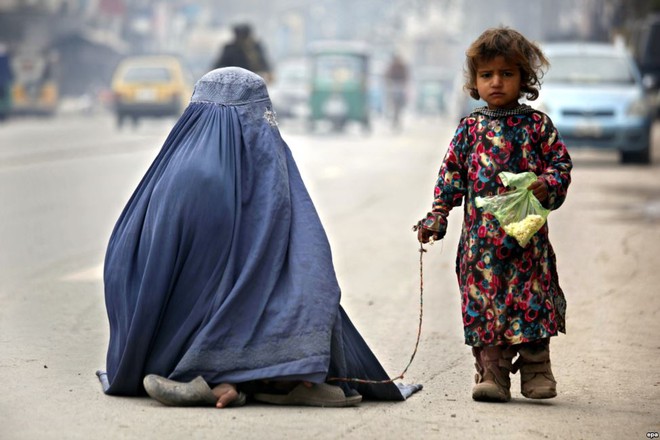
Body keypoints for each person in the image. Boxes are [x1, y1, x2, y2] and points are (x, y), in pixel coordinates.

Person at [97, 67, 421, 408]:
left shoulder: (175, 167)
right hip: (191, 328)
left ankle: (243, 379)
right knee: (280, 289)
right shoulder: (234, 173)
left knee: (265, 287)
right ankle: (257, 375)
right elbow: (308, 265)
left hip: (154, 341)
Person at [414, 27, 572, 403]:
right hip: (480, 246)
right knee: (484, 305)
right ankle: (492, 373)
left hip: (527, 243)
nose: (496, 82)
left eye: (507, 74)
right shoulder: (470, 128)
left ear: (524, 79)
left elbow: (561, 165)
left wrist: (548, 183)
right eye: (487, 75)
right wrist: (438, 215)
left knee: (532, 299)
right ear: (474, 81)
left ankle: (536, 370)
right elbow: (450, 176)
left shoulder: (537, 126)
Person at [384, 53, 409, 130]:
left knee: (398, 105)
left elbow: (406, 76)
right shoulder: (392, 67)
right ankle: (395, 119)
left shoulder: (401, 66)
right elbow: (386, 75)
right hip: (394, 86)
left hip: (399, 86)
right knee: (394, 104)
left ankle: (396, 119)